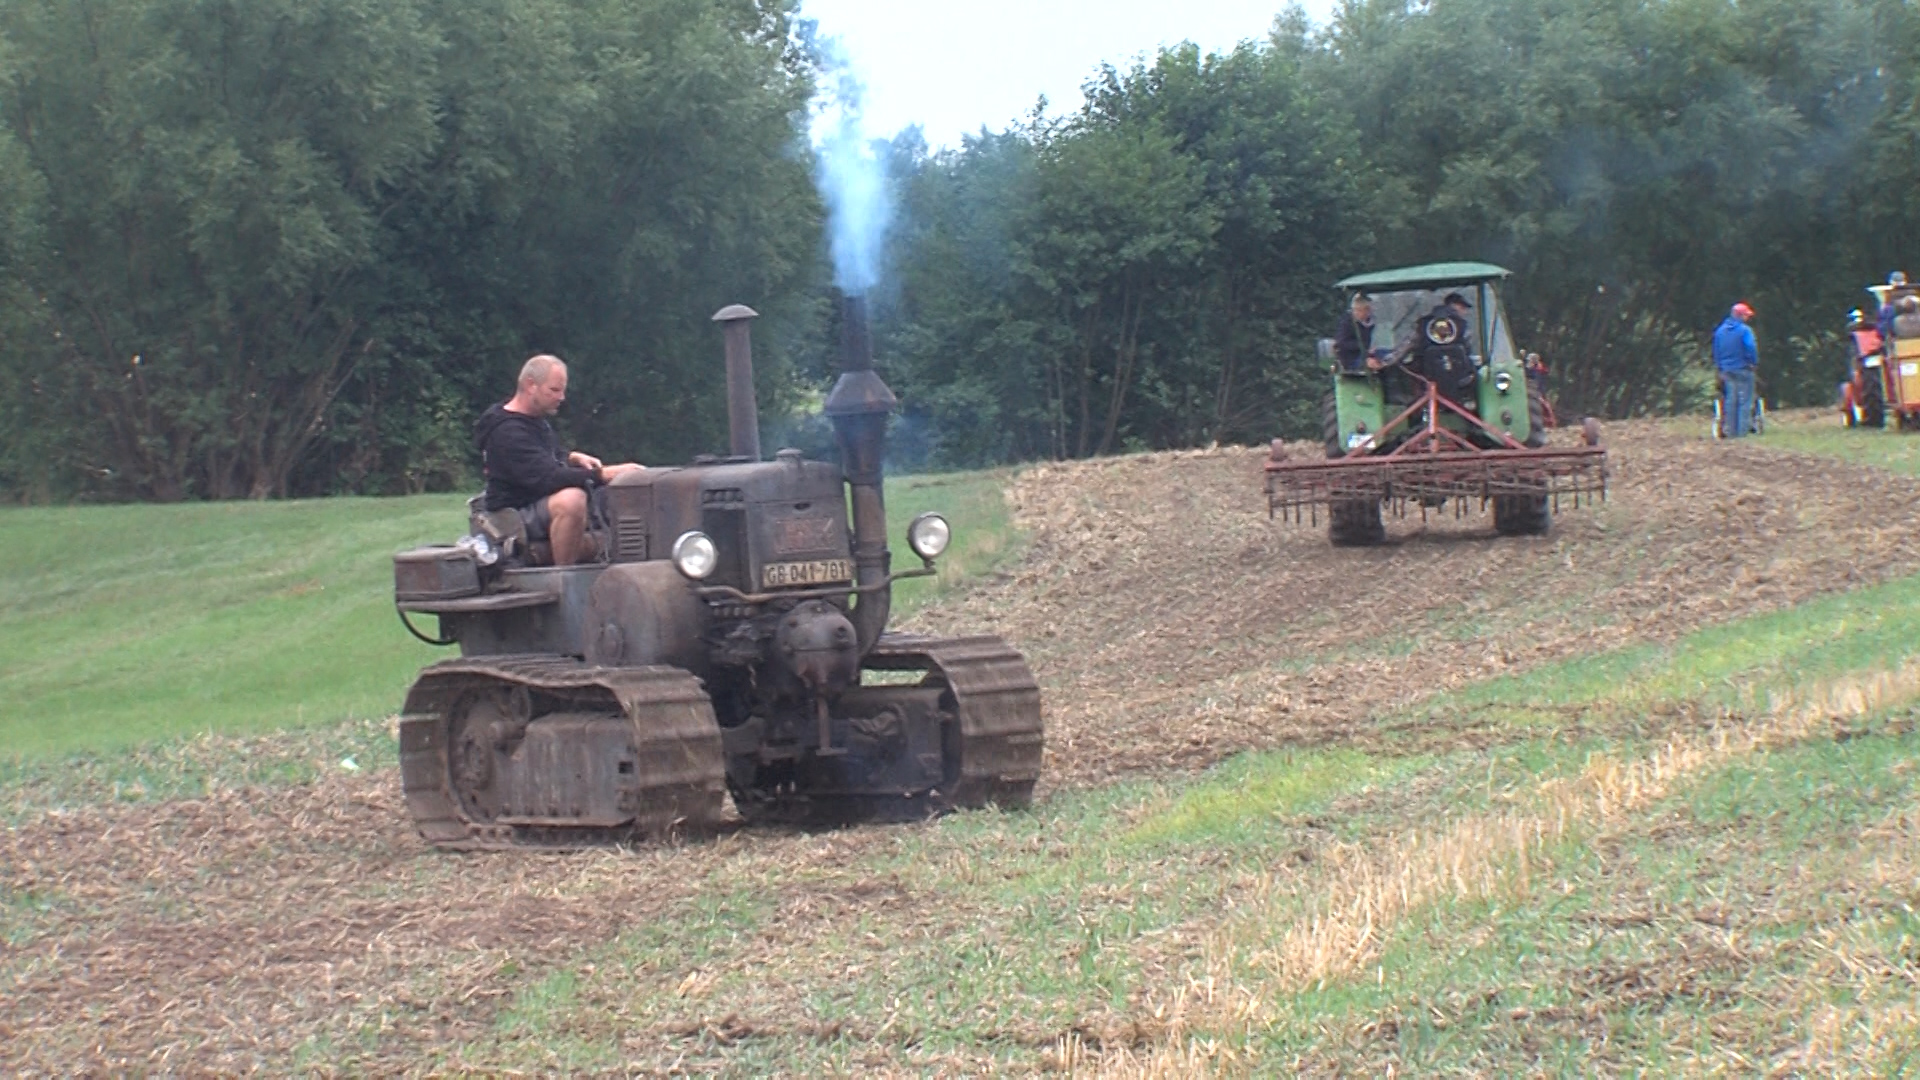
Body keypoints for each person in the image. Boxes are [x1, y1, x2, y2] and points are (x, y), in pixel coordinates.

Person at [474, 354, 644, 565]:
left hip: (536, 501)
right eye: (554, 390)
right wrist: (602, 474)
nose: (561, 397)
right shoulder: (507, 432)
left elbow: (545, 456)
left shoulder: (533, 421)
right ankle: (563, 576)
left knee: (618, 496)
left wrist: (571, 457)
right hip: (514, 513)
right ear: (531, 385)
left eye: (562, 390)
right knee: (571, 500)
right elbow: (548, 477)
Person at [1711, 302, 1759, 438]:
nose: (1747, 318)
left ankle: (1730, 432)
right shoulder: (1745, 330)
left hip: (1726, 370)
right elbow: (1750, 347)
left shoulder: (1720, 331)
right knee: (1745, 401)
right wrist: (1753, 362)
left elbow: (1716, 351)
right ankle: (1742, 432)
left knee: (1730, 400)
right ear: (1740, 316)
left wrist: (1720, 367)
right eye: (1746, 315)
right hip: (1743, 369)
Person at [1332, 292, 1385, 371]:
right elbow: (1341, 343)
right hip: (1352, 359)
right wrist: (1362, 347)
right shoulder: (1347, 323)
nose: (1356, 313)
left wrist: (1370, 350)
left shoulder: (1370, 323)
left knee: (1387, 353)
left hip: (1367, 354)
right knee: (1371, 363)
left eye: (1360, 310)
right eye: (1356, 310)